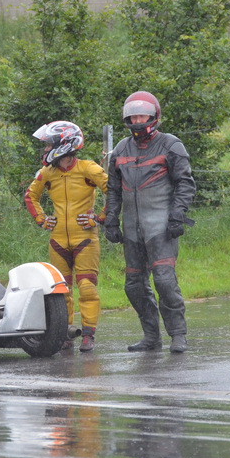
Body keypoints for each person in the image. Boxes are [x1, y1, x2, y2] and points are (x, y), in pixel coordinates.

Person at [103, 91, 196, 353]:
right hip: (132, 230)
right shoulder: (120, 149)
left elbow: (185, 184)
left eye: (141, 114)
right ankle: (151, 337)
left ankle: (178, 335)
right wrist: (111, 220)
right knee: (133, 285)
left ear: (154, 116)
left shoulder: (171, 145)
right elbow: (113, 189)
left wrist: (177, 214)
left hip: (162, 228)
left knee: (165, 281)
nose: (137, 119)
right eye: (132, 115)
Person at [25, 121, 109, 352]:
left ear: (64, 144)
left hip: (86, 239)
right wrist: (42, 220)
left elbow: (114, 190)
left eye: (48, 144)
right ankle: (65, 333)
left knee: (87, 287)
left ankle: (88, 334)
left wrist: (99, 218)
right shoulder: (47, 173)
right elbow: (30, 197)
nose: (45, 150)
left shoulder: (89, 168)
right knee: (62, 290)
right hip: (58, 239)